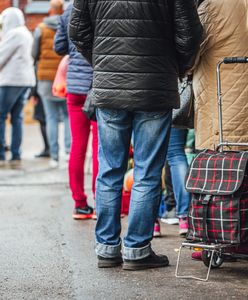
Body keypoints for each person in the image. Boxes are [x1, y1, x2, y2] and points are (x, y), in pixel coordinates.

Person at [69, 0, 202, 270]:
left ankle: (107, 248)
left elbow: (77, 32)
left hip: (110, 88)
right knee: (147, 172)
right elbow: (190, 34)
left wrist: (104, 63)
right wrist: (174, 68)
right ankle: (137, 249)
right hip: (155, 87)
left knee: (109, 171)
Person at [54, 4, 98, 219]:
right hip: (97, 86)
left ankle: (80, 204)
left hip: (75, 88)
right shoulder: (102, 7)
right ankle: (102, 202)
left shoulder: (67, 12)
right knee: (101, 149)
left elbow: (59, 47)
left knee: (78, 148)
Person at [193, 0, 248, 151]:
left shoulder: (212, 7)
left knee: (221, 168)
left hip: (221, 109)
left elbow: (190, 56)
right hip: (240, 109)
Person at [32, 0, 71, 168]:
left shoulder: (40, 29)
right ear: (62, 10)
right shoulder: (68, 25)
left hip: (45, 79)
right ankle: (69, 152)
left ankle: (54, 156)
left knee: (51, 117)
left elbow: (34, 54)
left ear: (50, 10)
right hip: (65, 77)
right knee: (68, 116)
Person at [0, 8, 35, 166]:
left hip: (11, 80)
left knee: (1, 116)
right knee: (17, 118)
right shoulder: (25, 32)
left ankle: (1, 154)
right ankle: (15, 154)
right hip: (25, 81)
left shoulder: (15, 34)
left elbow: (2, 55)